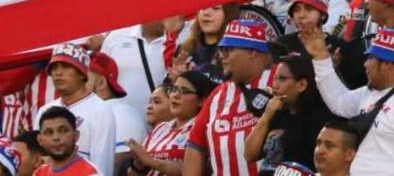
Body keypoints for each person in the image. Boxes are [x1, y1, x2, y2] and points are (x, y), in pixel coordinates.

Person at [304, 28, 394, 176]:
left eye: (370, 58)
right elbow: (339, 101)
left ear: (387, 64)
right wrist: (321, 58)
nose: (365, 64)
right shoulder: (371, 92)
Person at [183, 20, 276, 176]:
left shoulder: (280, 78)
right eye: (221, 50)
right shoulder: (217, 95)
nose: (222, 56)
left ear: (252, 51)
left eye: (228, 50)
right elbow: (195, 145)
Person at [243, 53, 331, 173]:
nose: (275, 85)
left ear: (301, 85)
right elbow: (250, 154)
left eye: (282, 79)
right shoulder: (275, 112)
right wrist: (266, 116)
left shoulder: (319, 118)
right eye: (275, 78)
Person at [36, 45, 116, 176]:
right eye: (54, 68)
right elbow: (39, 161)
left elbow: (102, 164)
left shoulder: (101, 110)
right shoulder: (44, 110)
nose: (58, 73)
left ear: (82, 73)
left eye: (66, 66)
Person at [130, 70, 213, 176]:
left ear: (202, 100)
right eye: (174, 89)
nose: (175, 95)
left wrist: (151, 162)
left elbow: (200, 170)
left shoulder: (206, 129)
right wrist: (138, 164)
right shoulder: (160, 128)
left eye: (184, 90)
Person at [34, 107, 100, 176]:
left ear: (76, 135)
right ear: (40, 140)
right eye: (49, 132)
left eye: (63, 131)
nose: (56, 137)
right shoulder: (39, 173)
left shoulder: (91, 174)